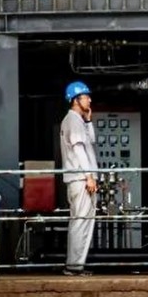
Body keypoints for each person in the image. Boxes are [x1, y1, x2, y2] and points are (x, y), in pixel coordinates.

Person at [59, 80, 98, 276]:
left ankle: (76, 266)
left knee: (82, 221)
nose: (89, 99)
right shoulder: (73, 120)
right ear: (75, 99)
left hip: (80, 179)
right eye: (85, 96)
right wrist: (89, 177)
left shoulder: (78, 120)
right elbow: (80, 149)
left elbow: (90, 141)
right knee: (80, 222)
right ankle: (73, 266)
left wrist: (89, 121)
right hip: (81, 180)